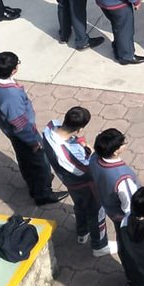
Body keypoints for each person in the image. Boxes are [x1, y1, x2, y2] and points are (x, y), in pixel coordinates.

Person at [0, 52, 65, 206]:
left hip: (14, 132)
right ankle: (43, 194)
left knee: (25, 160)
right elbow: (20, 124)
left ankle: (34, 185)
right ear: (13, 70)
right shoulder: (10, 95)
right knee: (39, 163)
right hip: (25, 135)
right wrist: (33, 142)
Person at [42, 105, 112, 255]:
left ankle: (82, 232)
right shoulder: (69, 154)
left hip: (70, 184)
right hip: (84, 185)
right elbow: (87, 169)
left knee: (80, 206)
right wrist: (92, 154)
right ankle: (100, 246)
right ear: (80, 129)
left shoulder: (50, 127)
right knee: (96, 212)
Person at [88, 127, 144, 286]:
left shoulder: (94, 159)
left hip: (110, 209)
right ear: (115, 151)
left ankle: (133, 278)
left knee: (124, 245)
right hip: (125, 218)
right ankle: (139, 283)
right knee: (133, 250)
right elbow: (130, 207)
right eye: (122, 143)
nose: (125, 144)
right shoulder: (122, 177)